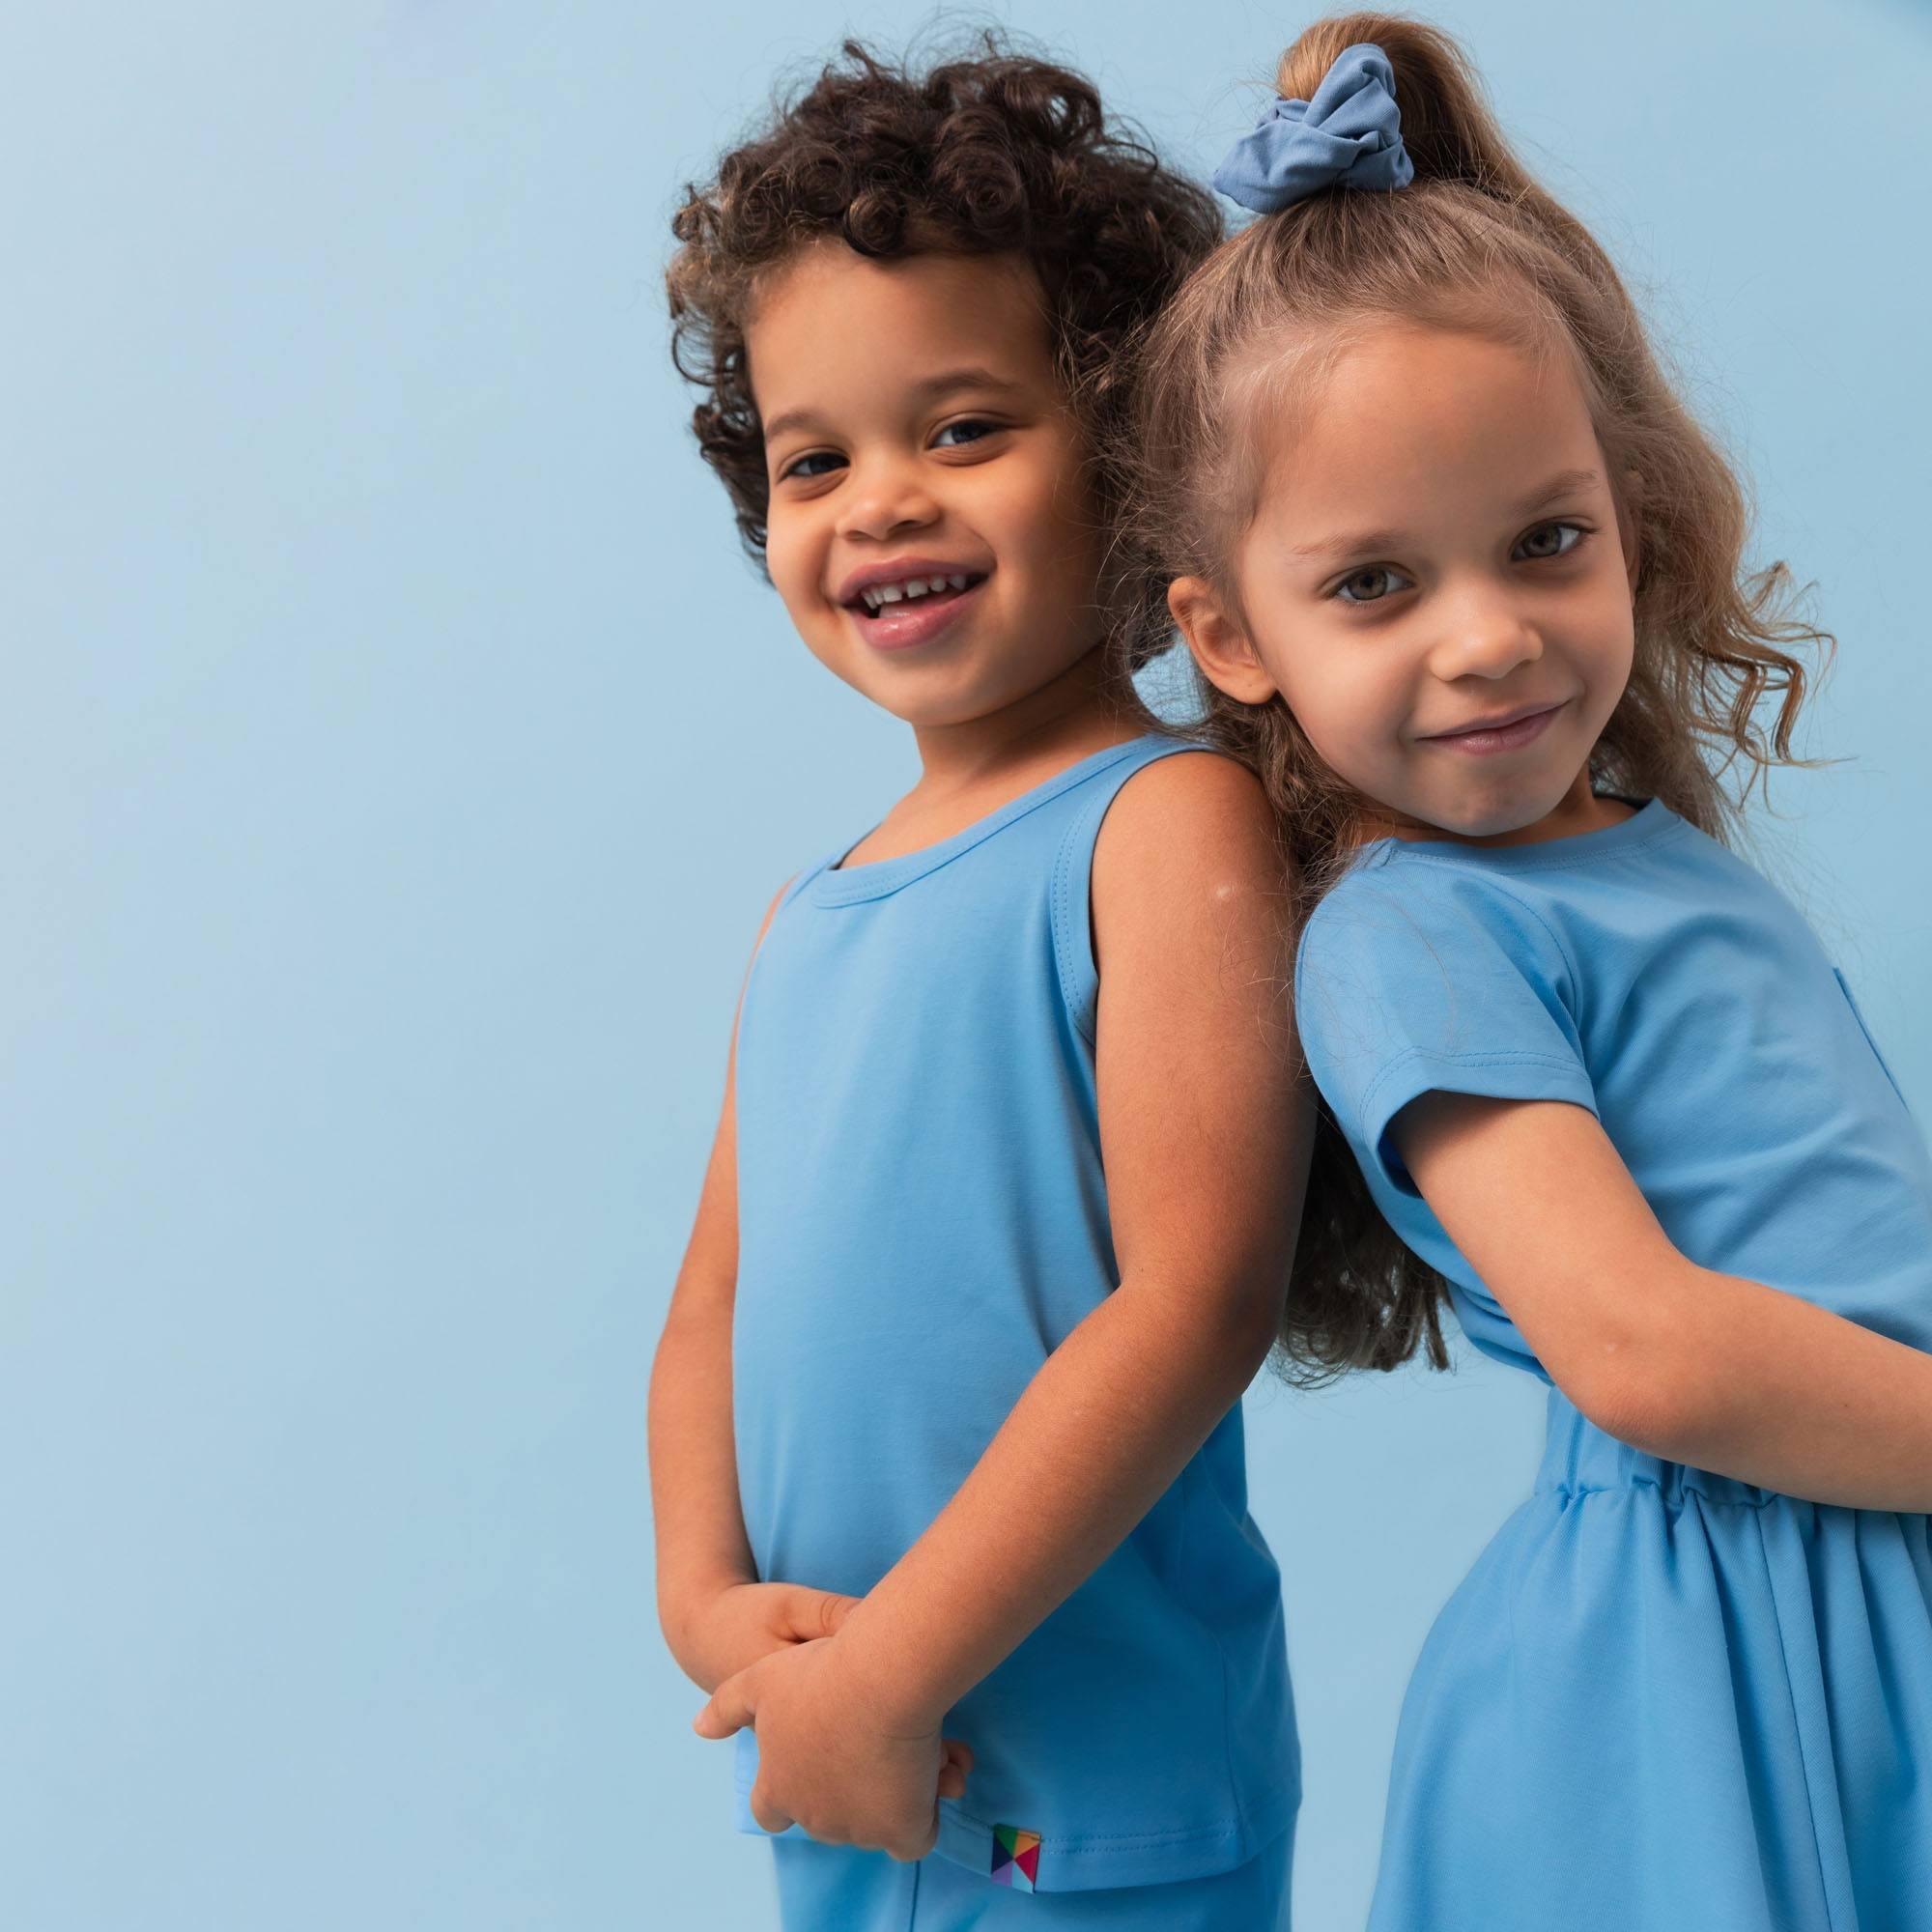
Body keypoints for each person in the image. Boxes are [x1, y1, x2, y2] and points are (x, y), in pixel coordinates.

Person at [1121, 15, 1932, 1928]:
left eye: (1543, 543)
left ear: (1627, 532)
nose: (1486, 638)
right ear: (1230, 636)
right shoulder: (1410, 934)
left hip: (1864, 1545)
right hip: (1711, 1641)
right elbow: (1643, 1345)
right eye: (1375, 583)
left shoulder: (1654, 860)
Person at [650, 39, 1302, 1929]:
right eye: (814, 458)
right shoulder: (808, 910)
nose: (878, 505)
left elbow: (1192, 1306)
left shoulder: (1160, 825)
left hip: (1084, 1792)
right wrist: (711, 1609)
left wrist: (887, 1665)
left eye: (962, 429)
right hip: (849, 1764)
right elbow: (712, 1305)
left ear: (1124, 443)